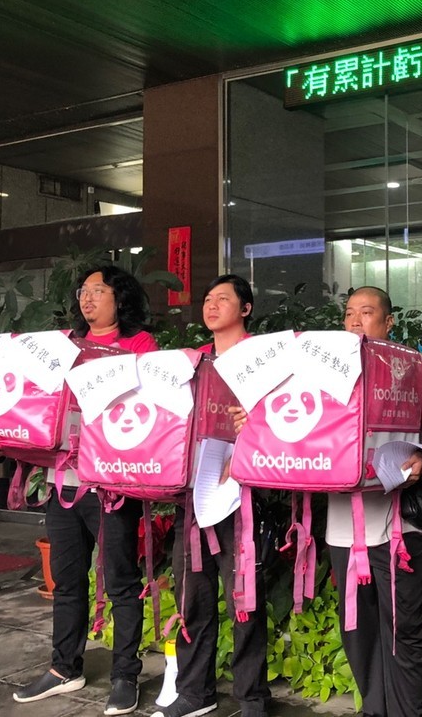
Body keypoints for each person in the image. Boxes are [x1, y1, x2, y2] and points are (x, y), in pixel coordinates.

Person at [14, 265, 156, 715]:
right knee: (67, 581)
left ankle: (125, 676)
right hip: (63, 482)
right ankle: (64, 669)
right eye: (83, 291)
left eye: (98, 290)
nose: (87, 298)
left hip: (112, 484)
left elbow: (149, 407)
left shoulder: (140, 345)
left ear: (120, 298)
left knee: (121, 582)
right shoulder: (64, 345)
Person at [326, 286, 422, 717]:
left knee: (405, 628)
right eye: (349, 313)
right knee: (358, 629)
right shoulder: (325, 373)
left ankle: (409, 712)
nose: (355, 321)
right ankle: (374, 710)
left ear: (389, 321)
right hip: (343, 527)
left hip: (401, 525)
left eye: (367, 312)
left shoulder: (414, 370)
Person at [152, 274, 271, 717]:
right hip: (194, 494)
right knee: (192, 596)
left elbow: (284, 420)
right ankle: (195, 692)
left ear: (246, 308)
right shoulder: (193, 363)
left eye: (223, 298)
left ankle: (252, 697)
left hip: (245, 495)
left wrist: (252, 431)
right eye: (207, 298)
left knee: (245, 599)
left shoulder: (265, 359)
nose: (212, 305)